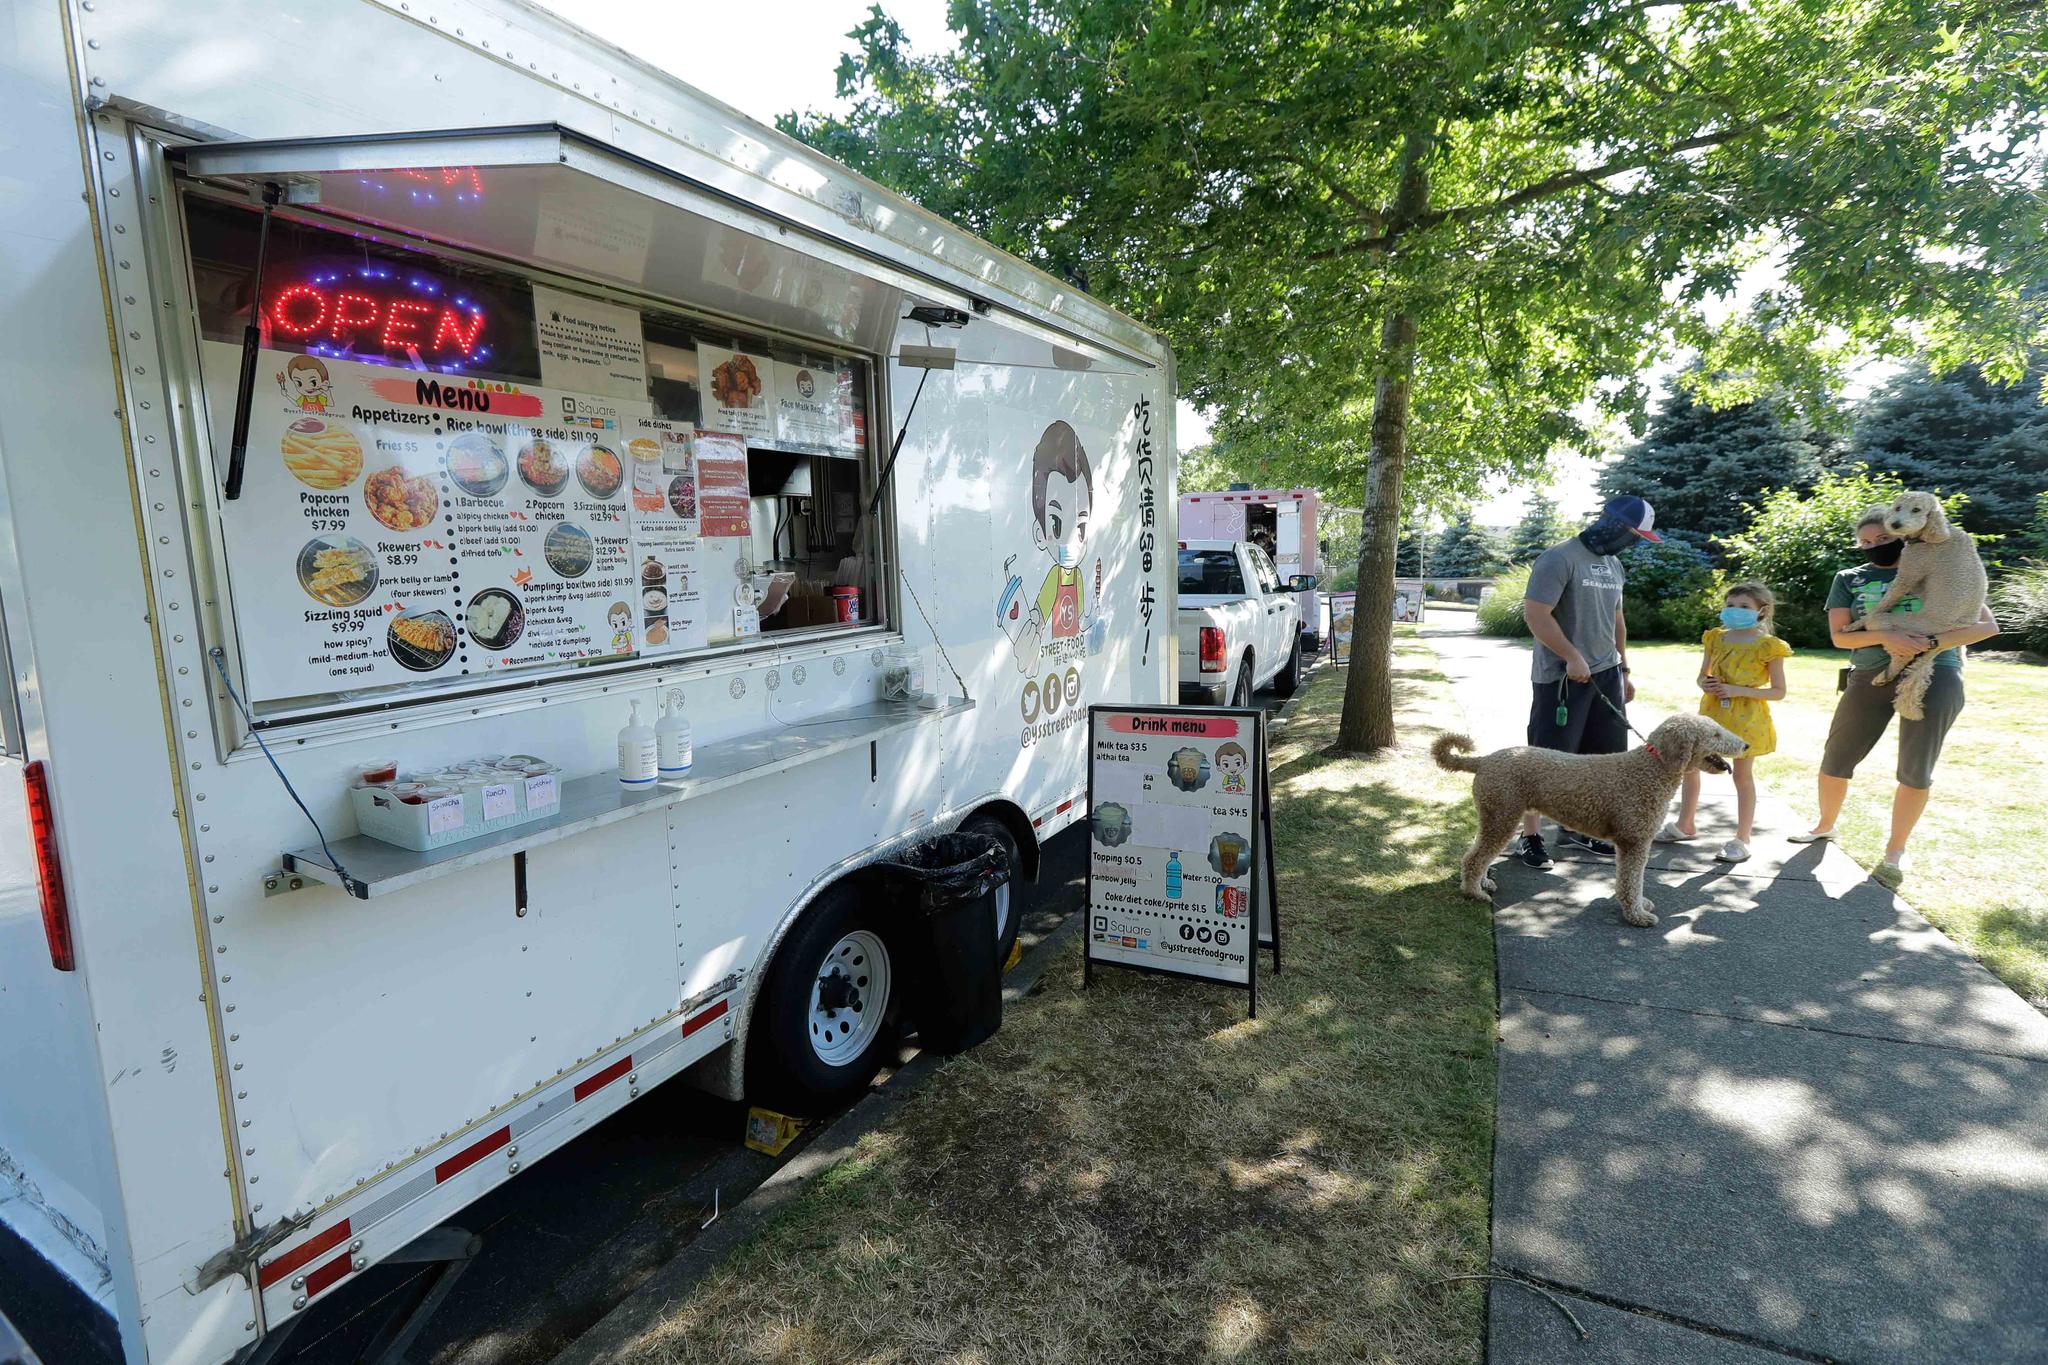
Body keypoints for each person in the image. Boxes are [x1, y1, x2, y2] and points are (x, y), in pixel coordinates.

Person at [1791, 504, 1998, 883]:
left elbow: (1986, 626)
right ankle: (1824, 825)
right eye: (1866, 542)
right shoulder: (1849, 577)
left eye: (1883, 538)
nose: (1875, 545)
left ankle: (1896, 849)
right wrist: (1888, 635)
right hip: (1869, 673)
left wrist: (1928, 642)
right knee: (1838, 755)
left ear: (1902, 532)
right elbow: (1840, 636)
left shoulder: (1941, 565)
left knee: (1916, 767)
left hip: (1938, 672)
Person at [1516, 495, 1661, 867]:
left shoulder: (1614, 565)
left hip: (1606, 674)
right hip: (1561, 678)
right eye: (1633, 534)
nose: (1634, 542)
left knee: (1602, 760)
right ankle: (1529, 836)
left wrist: (1623, 668)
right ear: (1611, 523)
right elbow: (1536, 614)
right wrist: (1571, 655)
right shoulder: (1559, 557)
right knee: (1545, 761)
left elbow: (1617, 621)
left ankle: (1576, 830)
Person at [1657, 582, 1791, 862]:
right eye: (1730, 605)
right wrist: (1707, 684)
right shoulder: (1716, 638)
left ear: (1762, 612)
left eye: (1744, 606)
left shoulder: (1769, 646)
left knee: (1742, 776)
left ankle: (1742, 839)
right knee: (1690, 767)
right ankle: (1686, 824)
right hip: (1712, 715)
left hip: (1747, 719)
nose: (1735, 611)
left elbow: (1778, 692)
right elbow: (1700, 677)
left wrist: (1737, 690)